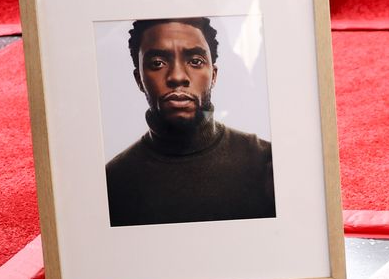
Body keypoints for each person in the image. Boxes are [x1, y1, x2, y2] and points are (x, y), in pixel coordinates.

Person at [105, 17, 275, 227]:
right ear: (139, 79)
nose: (177, 76)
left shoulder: (266, 162)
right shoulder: (112, 182)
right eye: (157, 63)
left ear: (213, 75)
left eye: (195, 61)